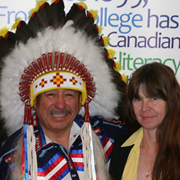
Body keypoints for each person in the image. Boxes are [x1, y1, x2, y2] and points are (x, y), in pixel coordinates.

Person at [0, 1, 127, 180]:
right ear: (34, 102)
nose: (60, 104)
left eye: (69, 95)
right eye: (50, 95)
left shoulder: (108, 136)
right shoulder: (11, 155)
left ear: (82, 100)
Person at [109, 62, 180, 180]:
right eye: (138, 99)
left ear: (171, 101)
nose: (145, 108)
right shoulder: (122, 145)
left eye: (154, 98)